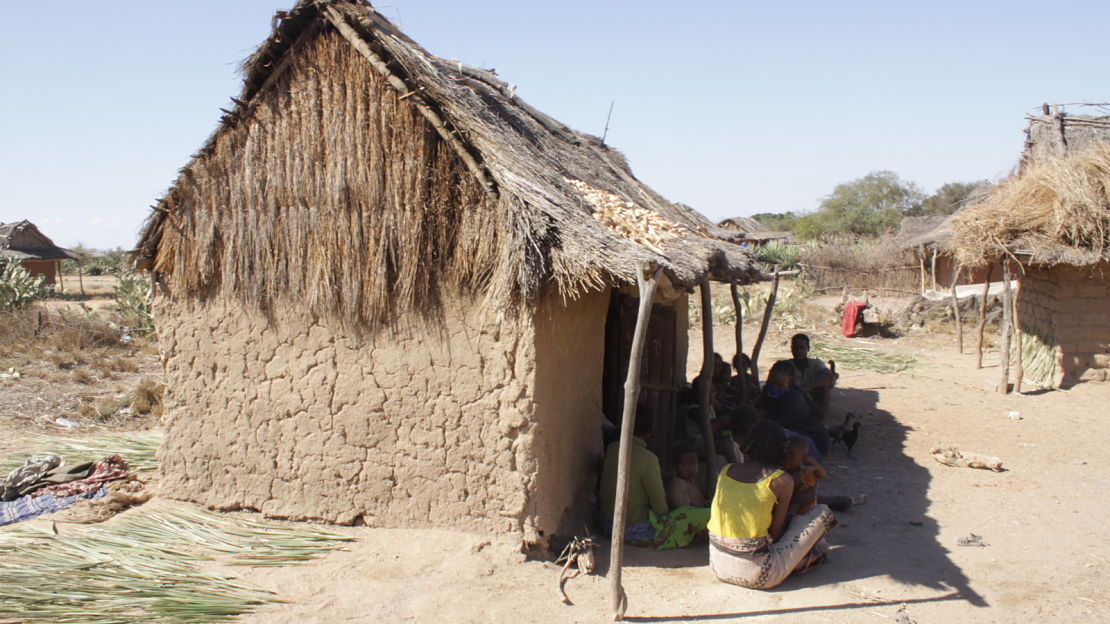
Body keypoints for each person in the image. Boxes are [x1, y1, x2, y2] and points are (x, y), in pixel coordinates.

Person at [707, 420, 837, 589]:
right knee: (822, 513)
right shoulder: (782, 480)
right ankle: (810, 556)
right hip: (760, 575)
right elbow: (776, 534)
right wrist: (796, 503)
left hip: (718, 566)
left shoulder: (726, 470)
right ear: (782, 450)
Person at [600, 405, 668, 542]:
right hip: (630, 527)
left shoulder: (612, 448)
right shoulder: (649, 459)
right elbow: (658, 504)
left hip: (606, 523)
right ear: (649, 432)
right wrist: (667, 518)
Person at [756, 360, 830, 459]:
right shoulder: (768, 389)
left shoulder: (794, 400)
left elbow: (771, 427)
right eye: (772, 383)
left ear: (790, 382)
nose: (774, 388)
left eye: (779, 386)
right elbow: (760, 410)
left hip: (814, 444)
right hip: (794, 433)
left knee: (770, 435)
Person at [780, 333, 837, 415]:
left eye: (802, 348)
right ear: (791, 348)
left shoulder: (815, 363)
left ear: (808, 348)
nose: (798, 351)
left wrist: (804, 387)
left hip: (812, 398)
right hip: (794, 400)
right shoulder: (786, 365)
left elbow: (827, 375)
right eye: (795, 347)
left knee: (825, 386)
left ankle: (820, 416)